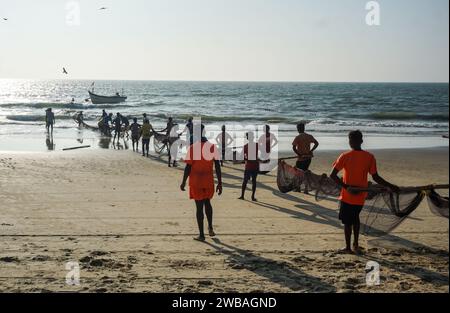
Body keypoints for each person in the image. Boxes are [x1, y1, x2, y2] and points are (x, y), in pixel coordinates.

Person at [330, 130, 399, 255]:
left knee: (347, 222)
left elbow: (333, 175)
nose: (351, 142)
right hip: (360, 196)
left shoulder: (345, 156)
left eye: (351, 140)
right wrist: (391, 185)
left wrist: (346, 187)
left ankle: (348, 247)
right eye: (351, 140)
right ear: (361, 141)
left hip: (347, 196)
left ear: (352, 141)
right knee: (355, 219)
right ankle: (355, 244)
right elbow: (376, 177)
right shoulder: (369, 157)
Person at [180, 124, 222, 242]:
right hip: (208, 180)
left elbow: (188, 167)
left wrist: (183, 182)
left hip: (196, 181)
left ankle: (202, 235)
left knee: (199, 207)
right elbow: (218, 166)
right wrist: (220, 182)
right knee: (207, 203)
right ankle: (210, 227)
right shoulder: (212, 147)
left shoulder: (193, 148)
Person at [238, 132, 259, 202]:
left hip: (249, 166)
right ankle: (252, 197)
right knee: (254, 181)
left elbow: (242, 157)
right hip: (255, 166)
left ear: (247, 138)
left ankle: (242, 196)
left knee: (245, 181)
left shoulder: (245, 146)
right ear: (253, 137)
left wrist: (247, 159)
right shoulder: (257, 145)